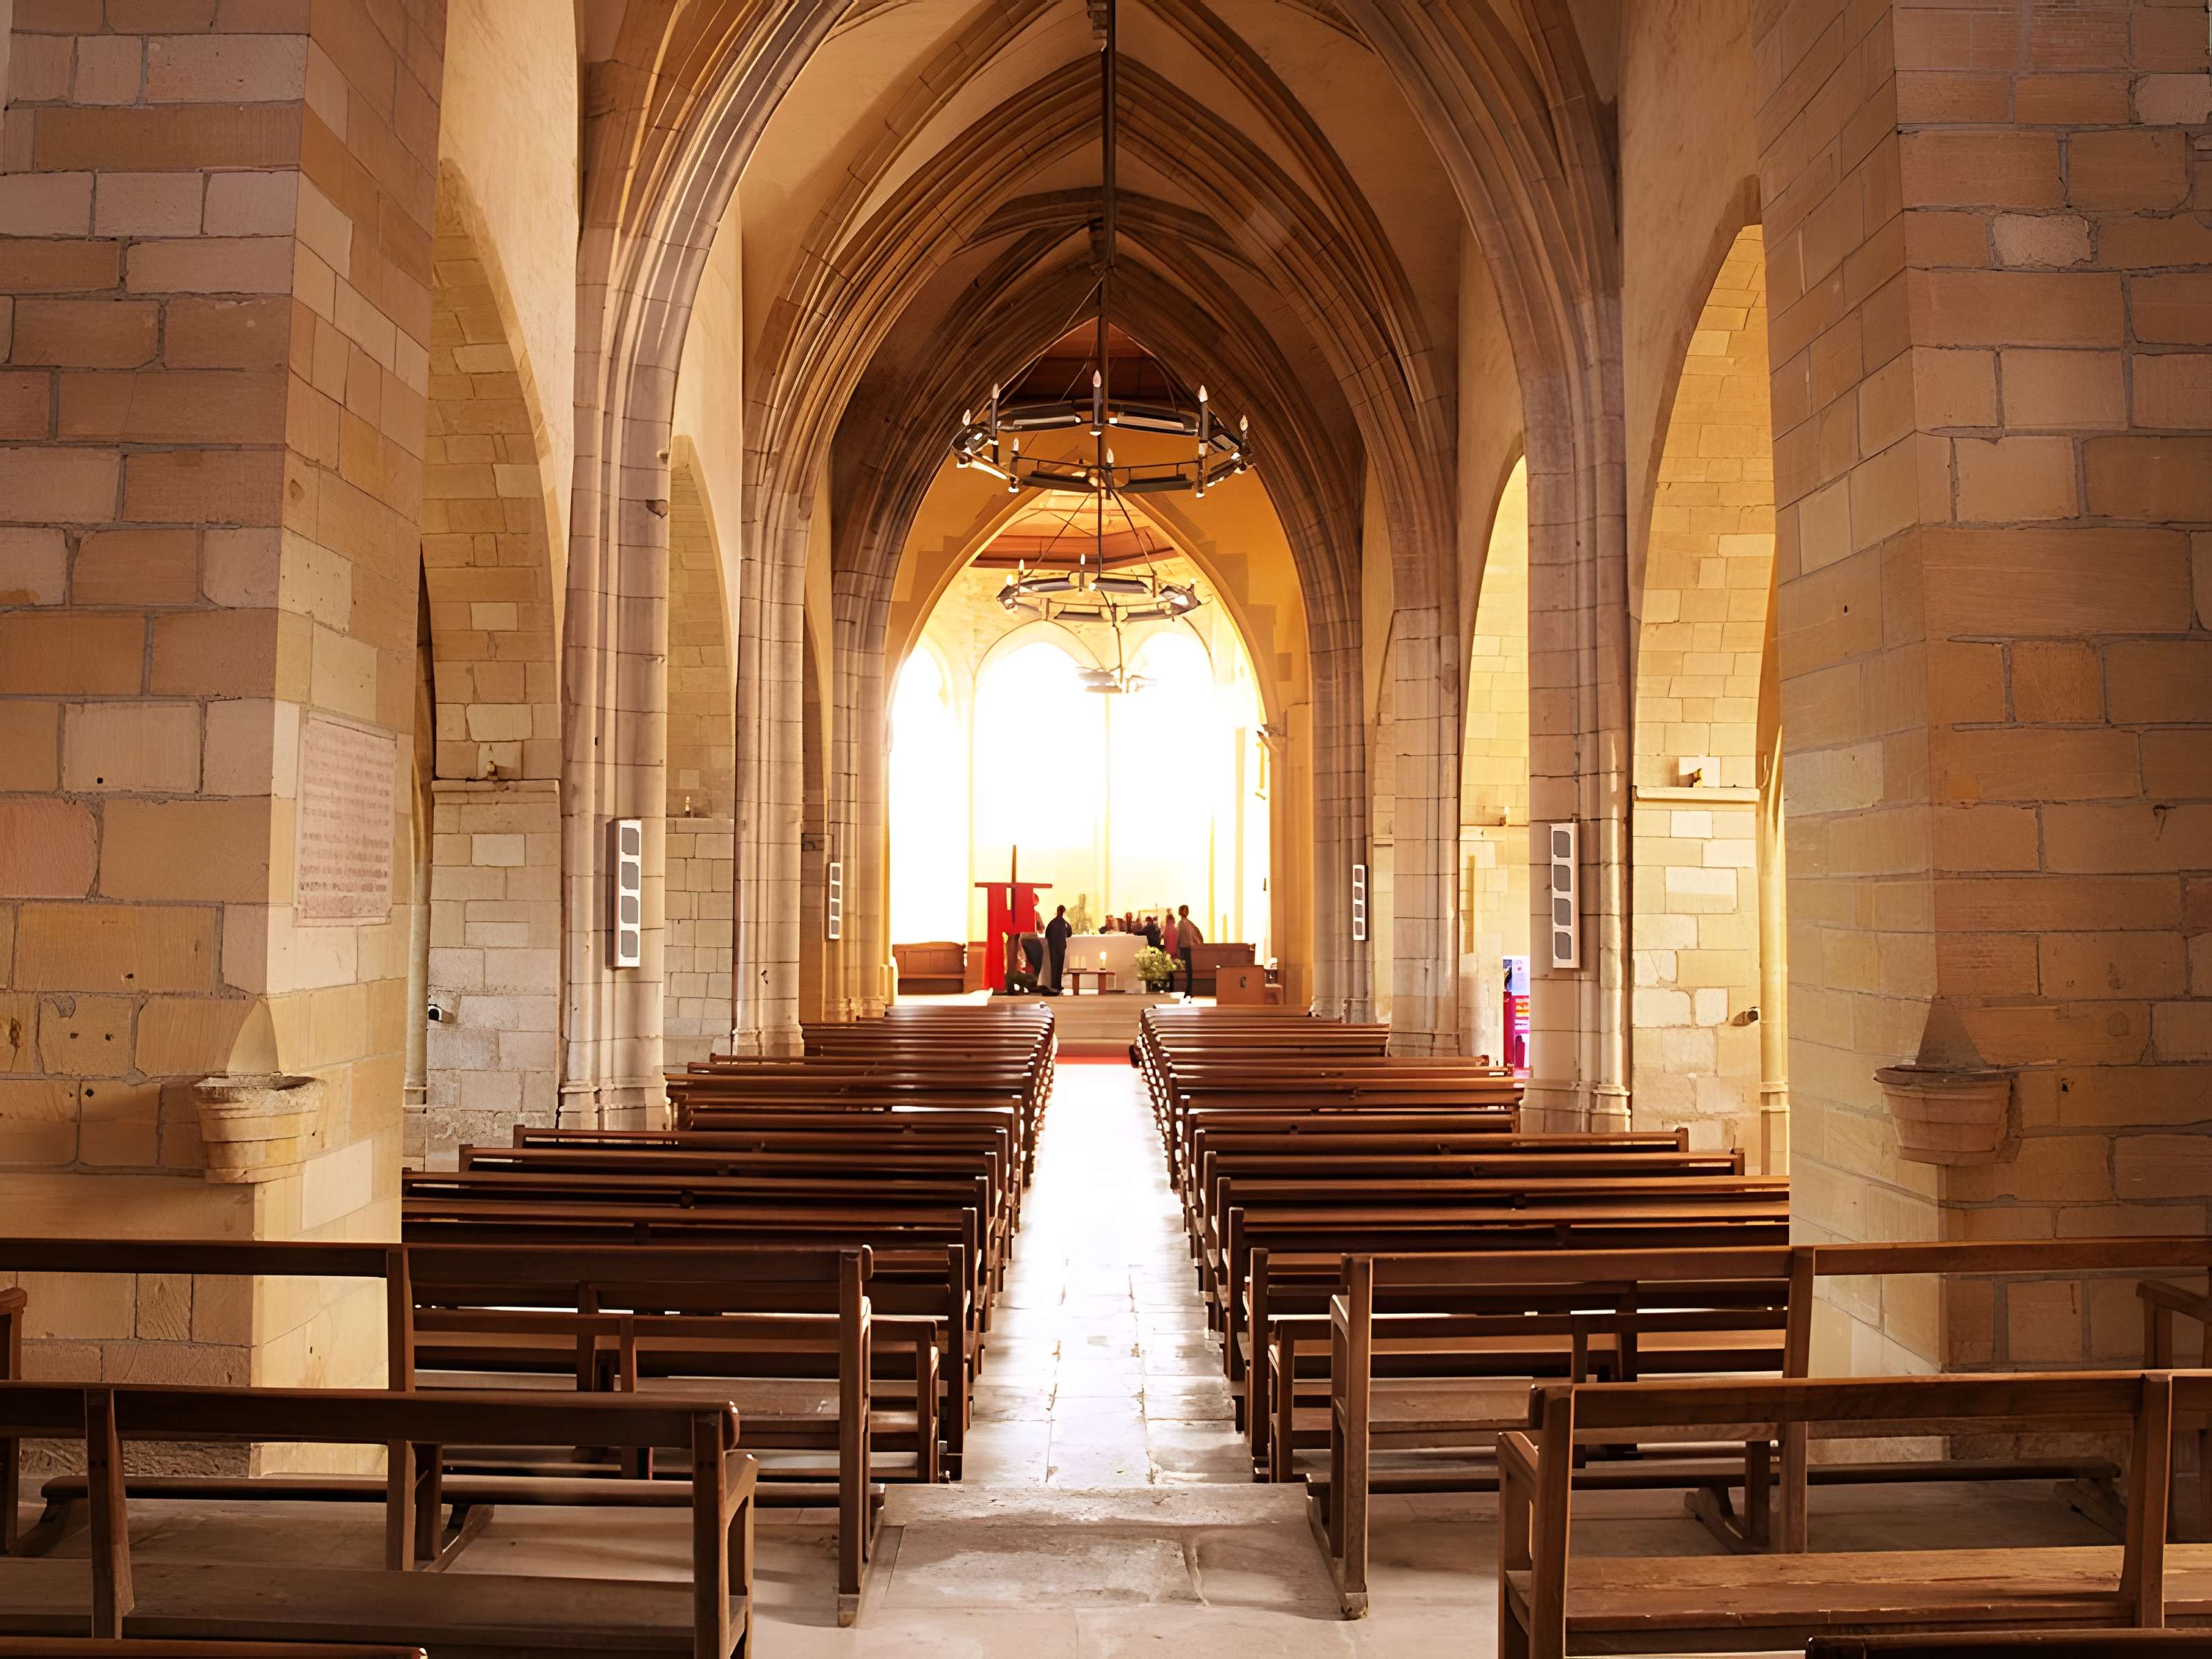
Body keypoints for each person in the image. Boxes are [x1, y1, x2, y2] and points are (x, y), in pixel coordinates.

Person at [1176, 904, 1203, 999]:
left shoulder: (1183, 924)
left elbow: (1178, 937)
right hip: (1188, 948)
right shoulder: (1187, 923)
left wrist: (1177, 947)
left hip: (1186, 949)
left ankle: (1189, 991)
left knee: (1189, 971)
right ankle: (1189, 991)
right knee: (1189, 971)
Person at [1045, 903, 1072, 992]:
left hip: (1052, 947)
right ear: (1063, 912)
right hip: (1061, 948)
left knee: (1053, 966)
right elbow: (1069, 934)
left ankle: (1053, 985)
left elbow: (1047, 934)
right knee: (1059, 966)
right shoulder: (1065, 923)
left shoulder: (1052, 923)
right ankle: (1058, 985)